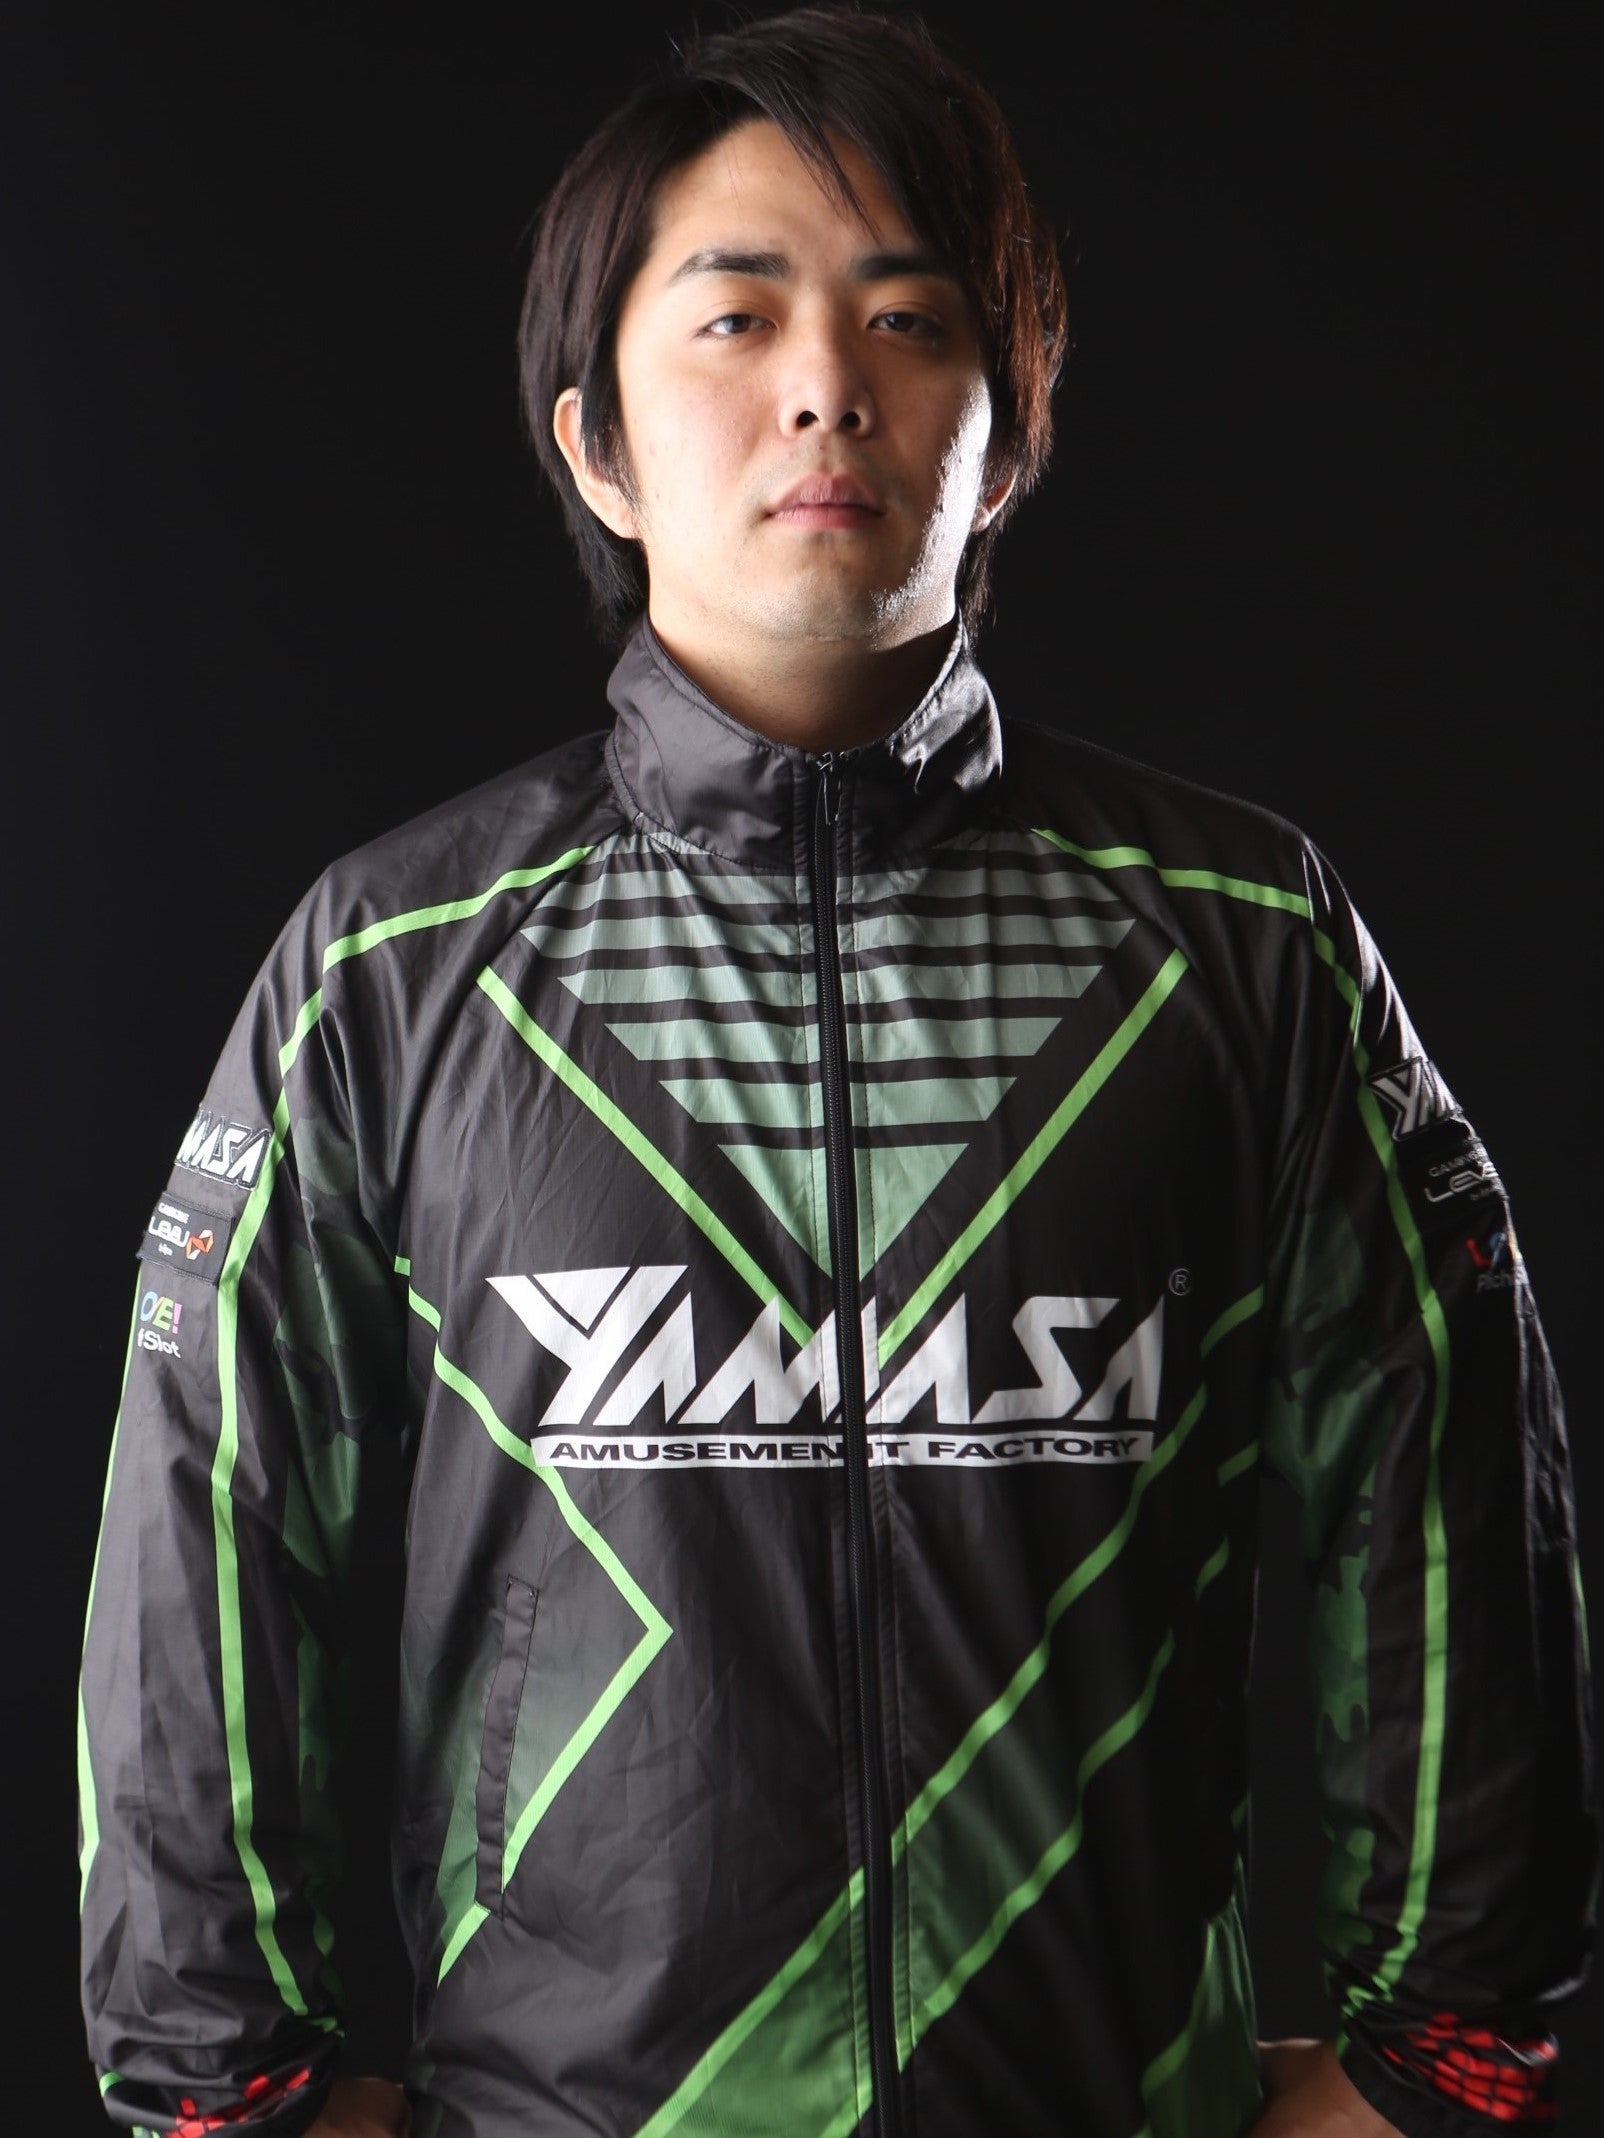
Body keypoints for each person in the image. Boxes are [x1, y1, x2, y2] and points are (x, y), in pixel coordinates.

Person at [78, 8, 1595, 2136]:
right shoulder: (394, 970)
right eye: (737, 316)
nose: (826, 385)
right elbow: (208, 1549)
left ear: (1008, 429)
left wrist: (1433, 2060)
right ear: (597, 442)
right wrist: (228, 2095)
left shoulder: (1239, 941)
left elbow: (1442, 1503)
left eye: (908, 319)